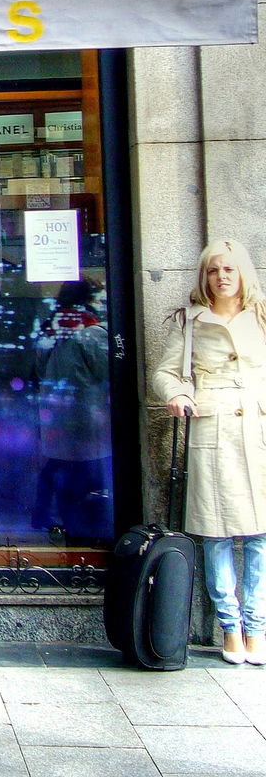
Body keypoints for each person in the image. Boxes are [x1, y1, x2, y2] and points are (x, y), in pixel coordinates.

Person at [149, 239, 266, 665]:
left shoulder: (262, 316)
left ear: (243, 273)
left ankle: (257, 627)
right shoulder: (190, 321)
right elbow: (164, 371)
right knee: (215, 536)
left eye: (229, 270)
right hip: (213, 430)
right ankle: (229, 628)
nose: (222, 277)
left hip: (257, 428)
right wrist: (178, 393)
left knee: (260, 537)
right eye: (214, 270)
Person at [31, 279, 112, 538]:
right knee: (83, 475)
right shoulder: (91, 332)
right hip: (86, 418)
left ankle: (45, 514)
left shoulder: (51, 330)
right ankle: (79, 528)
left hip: (56, 416)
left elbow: (40, 371)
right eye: (98, 298)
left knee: (57, 467)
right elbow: (107, 372)